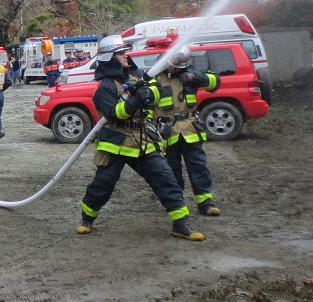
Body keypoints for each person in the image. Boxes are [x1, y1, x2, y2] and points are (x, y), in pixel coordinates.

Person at [76, 35, 204, 241]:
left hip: (143, 140)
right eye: (120, 53)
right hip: (115, 144)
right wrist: (136, 99)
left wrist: (148, 93)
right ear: (109, 57)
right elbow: (115, 114)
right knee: (103, 184)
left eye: (125, 52)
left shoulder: (138, 74)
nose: (125, 56)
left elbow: (156, 90)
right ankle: (87, 219)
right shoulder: (105, 87)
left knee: (165, 178)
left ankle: (181, 224)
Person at [154, 45, 223, 217]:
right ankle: (177, 203)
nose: (176, 69)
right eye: (174, 65)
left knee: (198, 166)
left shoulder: (191, 74)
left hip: (190, 129)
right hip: (167, 131)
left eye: (179, 66)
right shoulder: (155, 77)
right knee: (171, 170)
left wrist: (195, 76)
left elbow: (215, 83)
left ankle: (206, 202)